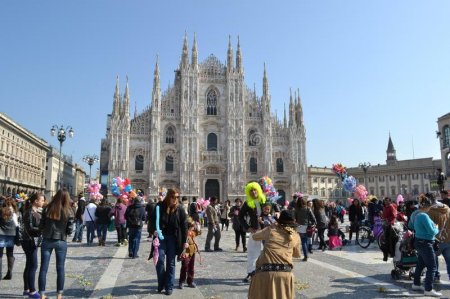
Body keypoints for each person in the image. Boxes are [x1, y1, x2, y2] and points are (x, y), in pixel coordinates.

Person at [248, 210, 301, 299]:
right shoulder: (295, 236)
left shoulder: (271, 230)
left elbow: (255, 236)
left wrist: (270, 226)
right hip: (285, 275)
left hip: (265, 274)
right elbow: (296, 254)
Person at [148, 188, 187, 296]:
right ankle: (162, 283)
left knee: (171, 263)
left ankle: (169, 286)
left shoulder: (180, 209)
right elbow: (151, 221)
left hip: (173, 239)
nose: (176, 199)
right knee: (159, 260)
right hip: (161, 237)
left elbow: (184, 226)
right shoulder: (159, 207)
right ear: (169, 196)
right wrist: (153, 230)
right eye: (174, 197)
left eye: (177, 197)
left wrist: (184, 241)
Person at [38, 189, 75, 299]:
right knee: (60, 268)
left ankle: (42, 294)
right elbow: (69, 230)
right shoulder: (69, 211)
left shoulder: (47, 208)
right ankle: (59, 295)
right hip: (61, 241)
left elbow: (41, 225)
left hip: (47, 239)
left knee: (43, 268)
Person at [411, 196, 442, 297]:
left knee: (420, 264)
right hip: (426, 243)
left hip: (418, 241)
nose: (431, 208)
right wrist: (436, 228)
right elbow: (432, 231)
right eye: (430, 206)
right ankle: (428, 289)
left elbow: (411, 226)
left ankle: (416, 284)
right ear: (427, 206)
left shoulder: (416, 215)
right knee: (432, 267)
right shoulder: (424, 216)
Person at [239, 182, 266, 283]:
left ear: (258, 190)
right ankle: (251, 272)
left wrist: (276, 212)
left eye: (255, 190)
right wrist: (248, 227)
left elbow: (275, 210)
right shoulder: (247, 203)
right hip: (255, 230)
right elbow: (240, 216)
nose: (253, 192)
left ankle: (265, 272)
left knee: (268, 251)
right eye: (251, 191)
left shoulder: (265, 200)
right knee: (252, 251)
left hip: (266, 230)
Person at [21, 193, 45, 299]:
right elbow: (30, 228)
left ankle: (26, 289)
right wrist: (42, 230)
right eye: (42, 200)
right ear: (36, 201)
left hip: (31, 240)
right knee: (33, 265)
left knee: (29, 264)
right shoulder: (29, 212)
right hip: (28, 240)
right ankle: (32, 291)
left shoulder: (35, 211)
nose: (43, 202)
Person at [0, 196, 19, 283]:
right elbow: (16, 225)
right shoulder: (14, 213)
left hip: (1, 234)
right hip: (11, 234)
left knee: (0, 255)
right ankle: (9, 272)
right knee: (10, 254)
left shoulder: (1, 211)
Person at [178, 217, 200, 289]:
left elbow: (198, 232)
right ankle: (181, 281)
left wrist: (198, 227)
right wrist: (183, 244)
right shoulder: (184, 232)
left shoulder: (192, 232)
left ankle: (190, 281)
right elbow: (180, 240)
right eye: (192, 226)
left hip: (192, 251)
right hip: (186, 252)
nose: (193, 227)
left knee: (191, 267)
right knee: (184, 266)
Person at [294, 196, 316, 261]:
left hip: (299, 227)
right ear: (304, 201)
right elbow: (313, 219)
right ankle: (307, 254)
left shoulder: (297, 209)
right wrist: (312, 224)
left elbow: (296, 218)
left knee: (303, 241)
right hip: (307, 226)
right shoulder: (308, 208)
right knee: (306, 241)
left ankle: (305, 255)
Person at [381, 197, 398, 262]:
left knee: (389, 240)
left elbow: (394, 216)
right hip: (386, 225)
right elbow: (384, 215)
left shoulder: (391, 207)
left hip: (391, 225)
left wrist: (387, 219)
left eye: (387, 201)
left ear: (390, 201)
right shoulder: (385, 207)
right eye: (385, 201)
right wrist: (382, 216)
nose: (386, 202)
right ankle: (387, 254)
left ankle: (390, 254)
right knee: (385, 240)